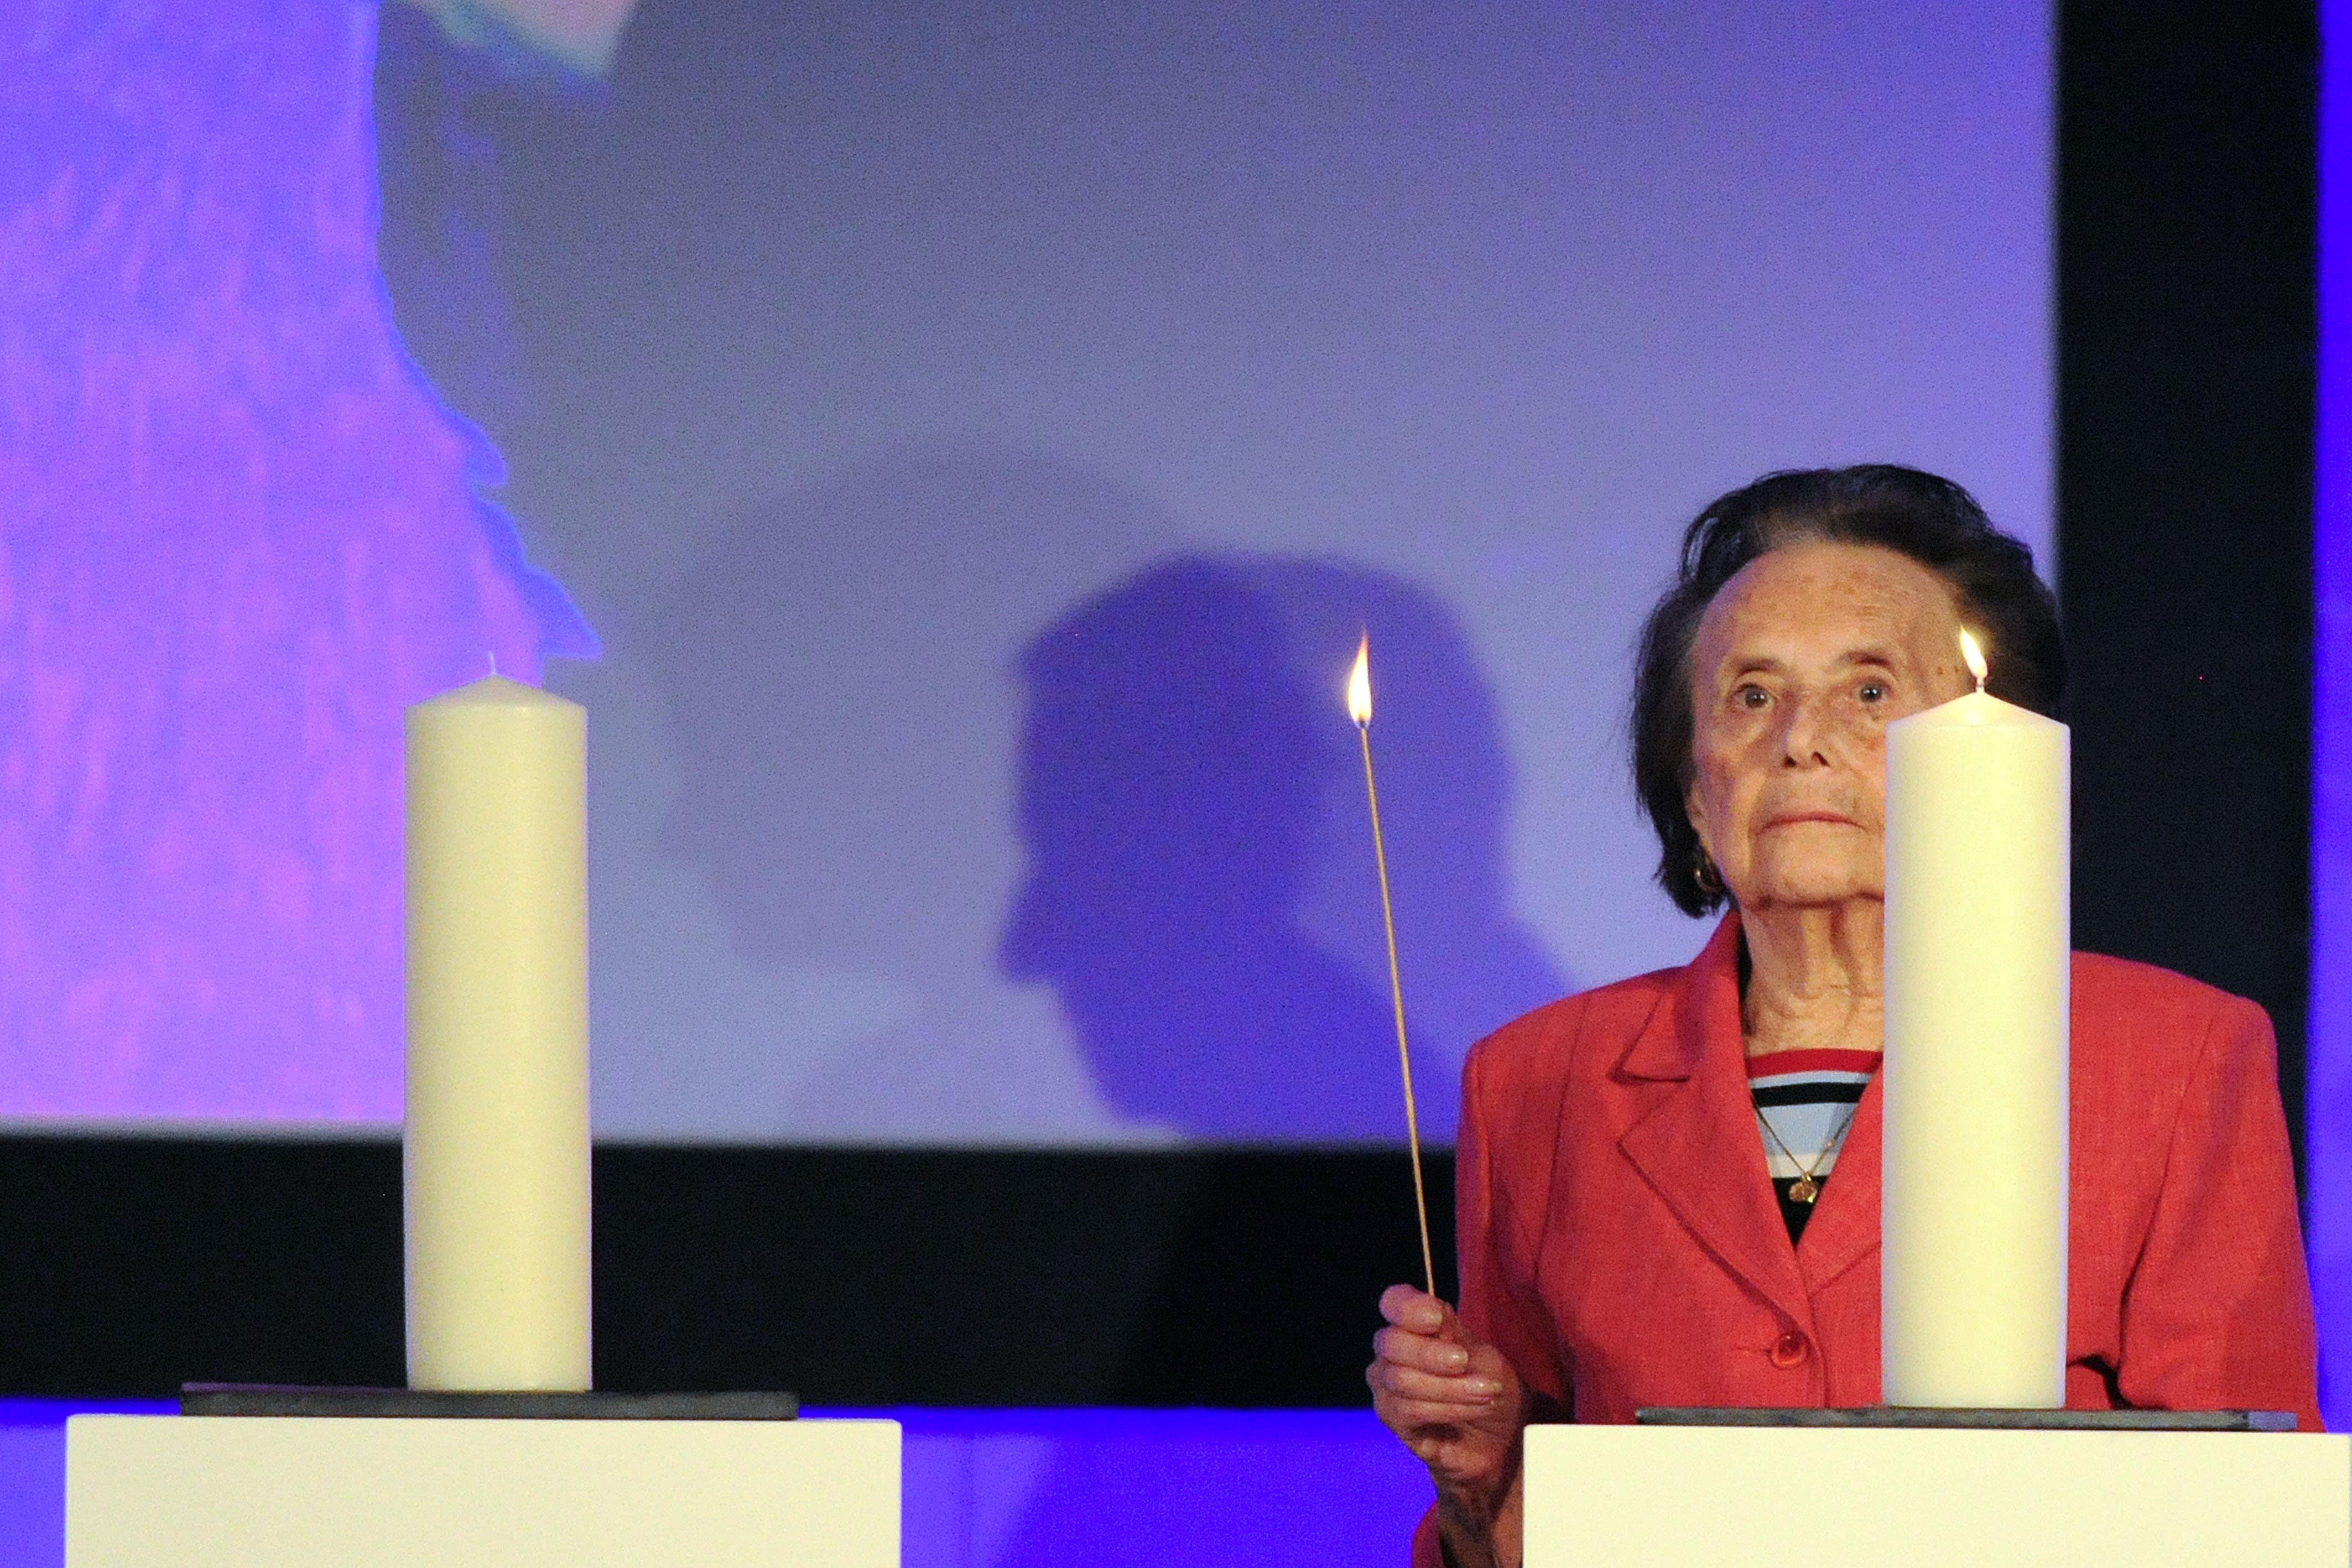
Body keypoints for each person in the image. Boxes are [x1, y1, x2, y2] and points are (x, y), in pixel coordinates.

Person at [1365, 466, 2320, 1568]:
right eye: (1750, 694)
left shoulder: (2172, 1057)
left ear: (1992, 757)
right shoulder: (1538, 1078)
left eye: (1866, 692)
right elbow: (1505, 1542)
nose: (1799, 740)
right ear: (1692, 790)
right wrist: (1484, 1480)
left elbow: (2247, 1527)